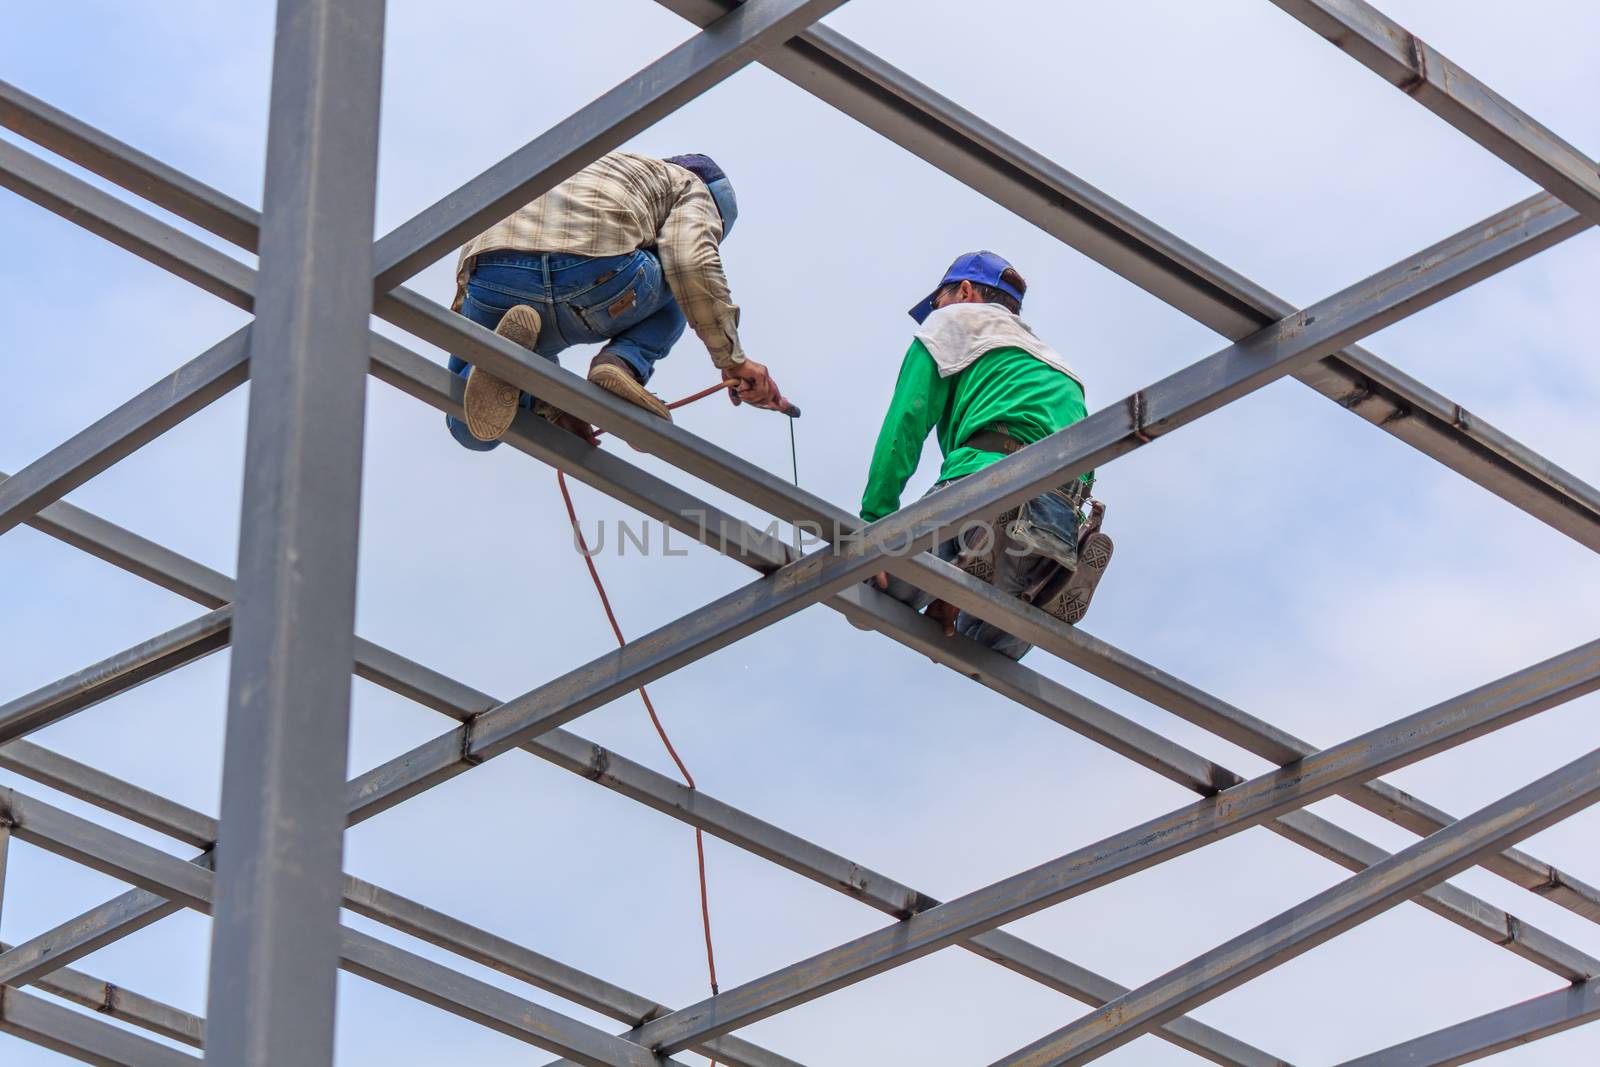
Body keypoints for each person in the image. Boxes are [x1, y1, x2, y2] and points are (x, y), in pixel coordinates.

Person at [860, 251, 1112, 659]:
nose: (934, 312)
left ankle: (975, 551)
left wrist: (876, 525)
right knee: (982, 648)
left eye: (938, 301)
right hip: (1059, 514)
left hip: (986, 481)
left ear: (965, 290)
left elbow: (906, 422)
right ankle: (1041, 576)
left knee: (872, 588)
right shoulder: (1060, 368)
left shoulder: (953, 323)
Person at [445, 152, 786, 449]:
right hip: (591, 270)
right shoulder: (692, 186)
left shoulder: (602, 166)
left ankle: (522, 398)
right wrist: (732, 359)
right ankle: (623, 362)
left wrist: (560, 404)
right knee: (680, 280)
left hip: (492, 276)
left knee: (467, 413)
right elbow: (690, 261)